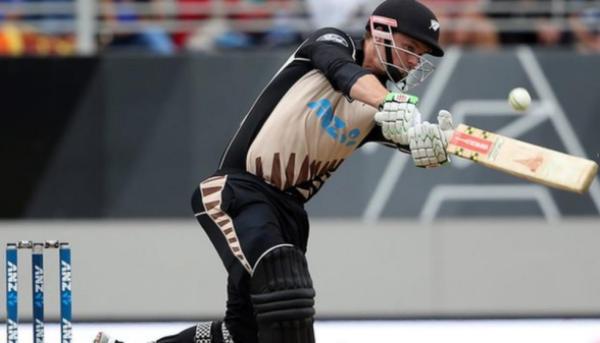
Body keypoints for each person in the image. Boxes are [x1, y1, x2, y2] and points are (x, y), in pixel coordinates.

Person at [94, 0, 454, 342]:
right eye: (410, 48)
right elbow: (340, 70)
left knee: (242, 333)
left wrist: (431, 142)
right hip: (238, 191)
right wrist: (390, 102)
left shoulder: (381, 109)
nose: (412, 62)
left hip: (289, 215)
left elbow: (407, 135)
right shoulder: (332, 41)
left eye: (419, 57)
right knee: (285, 283)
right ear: (379, 31)